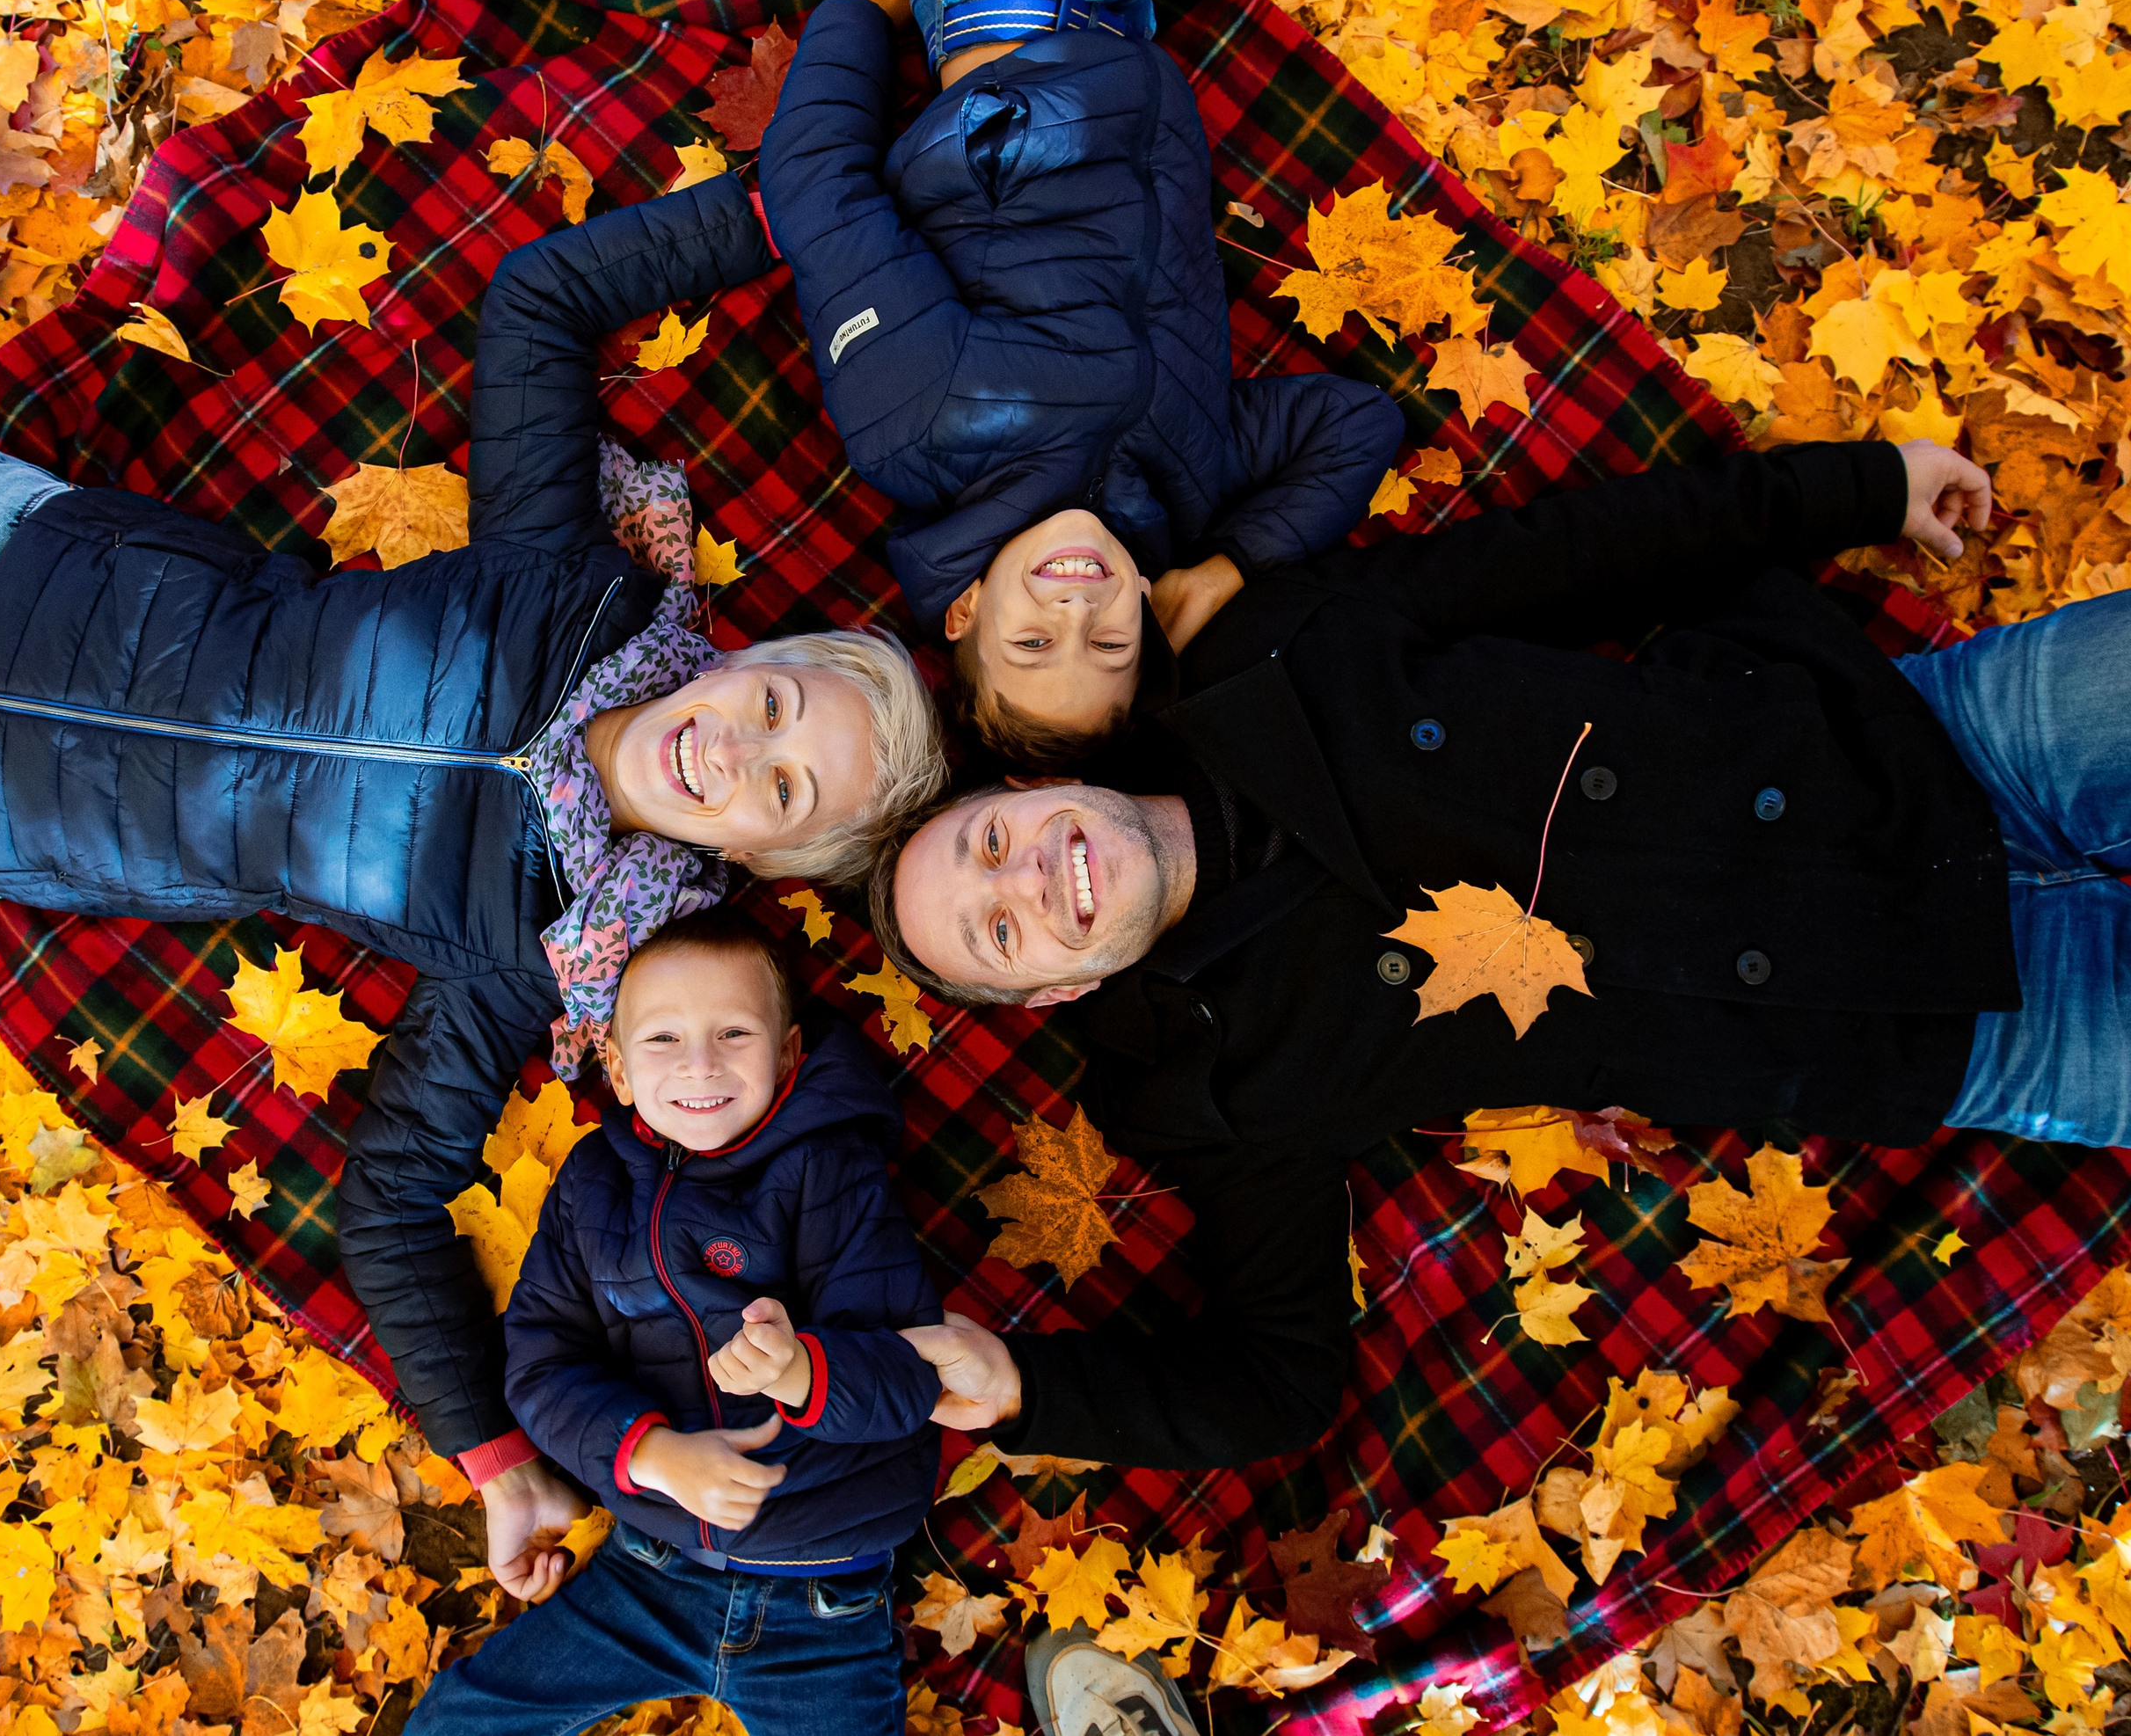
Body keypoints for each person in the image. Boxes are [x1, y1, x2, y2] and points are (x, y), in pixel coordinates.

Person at [0, 174, 946, 1594]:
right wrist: (798, 206)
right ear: (757, 654)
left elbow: (391, 1199)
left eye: (787, 788)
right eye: (780, 704)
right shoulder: (566, 582)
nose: (738, 750)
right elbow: (542, 303)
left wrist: (495, 1457)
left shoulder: (541, 948)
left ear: (763, 855)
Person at [864, 439, 2129, 1480]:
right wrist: (1029, 1389)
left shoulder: (1271, 648)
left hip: (1915, 738)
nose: (1026, 877)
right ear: (1062, 991)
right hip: (1924, 1015)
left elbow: (1580, 555)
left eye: (989, 842)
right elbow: (1273, 1380)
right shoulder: (1218, 1091)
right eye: (1000, 931)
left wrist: (1858, 488)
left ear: (1040, 786)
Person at [755, 0, 1406, 765]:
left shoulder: (923, 422)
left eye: (1031, 646)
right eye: (1110, 648)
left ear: (966, 612)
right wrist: (1226, 570)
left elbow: (820, 198)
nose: (1076, 617)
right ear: (1146, 611)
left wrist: (859, 26)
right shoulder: (1195, 487)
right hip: (1130, 18)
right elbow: (1357, 425)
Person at [405, 911, 942, 1732]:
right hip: (648, 1571)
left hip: (824, 1598)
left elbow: (910, 1380)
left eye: (733, 1032)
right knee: (459, 1722)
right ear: (616, 1070)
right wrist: (649, 1453)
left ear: (788, 1054)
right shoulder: (594, 1185)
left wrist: (802, 1371)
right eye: (662, 1039)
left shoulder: (830, 1168)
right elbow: (543, 1367)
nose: (700, 1062)